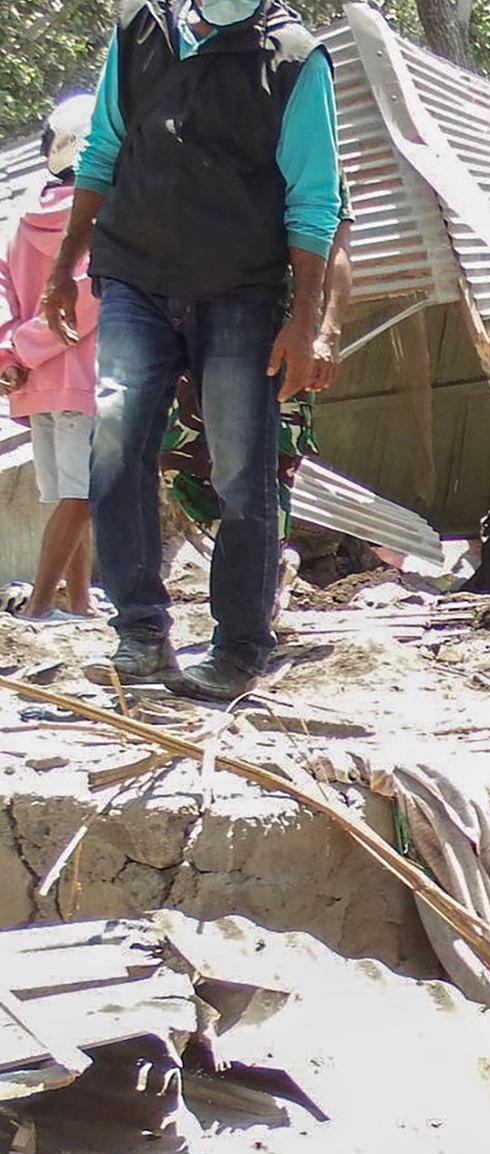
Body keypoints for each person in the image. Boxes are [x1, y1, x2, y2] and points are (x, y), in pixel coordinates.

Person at [44, 0, 343, 700]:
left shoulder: (295, 58)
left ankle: (239, 646)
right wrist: (63, 268)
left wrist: (305, 323)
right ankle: (140, 633)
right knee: (115, 440)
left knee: (242, 471)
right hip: (136, 281)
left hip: (240, 292)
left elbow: (316, 200)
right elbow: (102, 151)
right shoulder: (140, 30)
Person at [0, 95, 102, 623]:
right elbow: (87, 296)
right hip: (85, 378)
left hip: (34, 380)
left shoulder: (18, 216)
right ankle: (40, 605)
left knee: (68, 495)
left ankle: (79, 603)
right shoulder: (101, 217)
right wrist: (23, 348)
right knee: (82, 496)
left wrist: (9, 353)